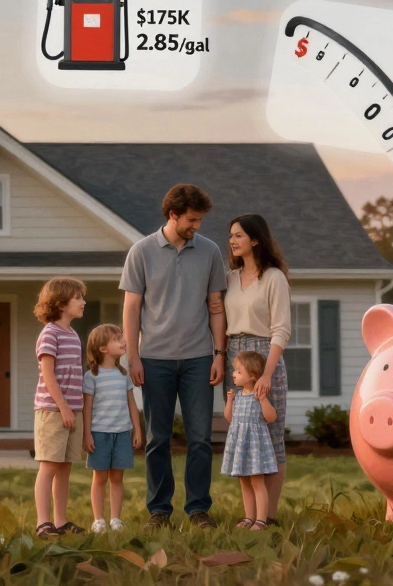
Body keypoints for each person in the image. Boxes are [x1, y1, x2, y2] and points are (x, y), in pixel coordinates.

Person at [120, 183, 228, 530]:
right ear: (173, 215)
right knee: (158, 439)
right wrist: (133, 358)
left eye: (199, 220)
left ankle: (198, 509)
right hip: (154, 359)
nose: (197, 225)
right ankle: (159, 511)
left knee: (199, 439)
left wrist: (219, 354)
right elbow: (132, 307)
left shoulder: (209, 251)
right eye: (192, 219)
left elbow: (215, 307)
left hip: (198, 358)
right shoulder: (141, 251)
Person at [223, 213, 292, 526]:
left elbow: (281, 329)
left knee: (270, 436)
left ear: (255, 239)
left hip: (266, 355)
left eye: (238, 235)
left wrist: (266, 374)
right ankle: (251, 516)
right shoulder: (229, 279)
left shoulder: (273, 277)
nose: (232, 241)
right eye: (231, 235)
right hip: (236, 354)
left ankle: (270, 517)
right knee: (244, 434)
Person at [31, 276, 88, 538]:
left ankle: (61, 521)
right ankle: (43, 523)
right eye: (78, 298)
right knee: (49, 466)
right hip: (53, 411)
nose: (83, 302)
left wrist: (74, 409)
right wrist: (63, 407)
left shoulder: (73, 335)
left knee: (65, 466)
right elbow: (49, 375)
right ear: (61, 303)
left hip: (71, 410)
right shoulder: (49, 334)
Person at [82, 324, 143, 533]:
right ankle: (98, 520)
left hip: (122, 434)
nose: (123, 341)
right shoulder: (91, 377)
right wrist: (87, 433)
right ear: (103, 348)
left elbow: (131, 403)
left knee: (117, 478)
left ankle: (116, 519)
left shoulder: (123, 374)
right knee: (99, 478)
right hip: (99, 435)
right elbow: (87, 408)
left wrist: (137, 429)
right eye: (117, 338)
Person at [222, 351, 279, 530]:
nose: (233, 374)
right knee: (244, 482)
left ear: (252, 375)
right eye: (234, 370)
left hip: (255, 447)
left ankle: (261, 520)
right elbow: (230, 418)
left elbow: (271, 417)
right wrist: (230, 401)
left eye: (238, 371)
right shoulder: (238, 396)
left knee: (257, 482)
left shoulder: (258, 395)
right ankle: (249, 517)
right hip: (240, 445)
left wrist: (263, 400)